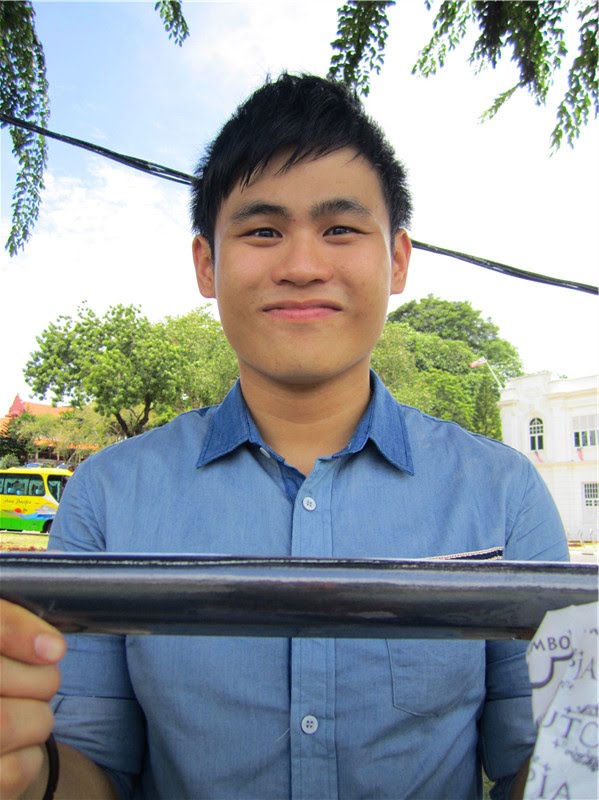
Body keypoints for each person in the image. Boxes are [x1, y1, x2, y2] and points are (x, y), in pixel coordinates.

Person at [0, 74, 568, 800]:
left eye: (340, 230)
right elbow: (93, 767)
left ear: (396, 260)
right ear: (207, 265)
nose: (302, 267)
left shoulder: (503, 494)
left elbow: (541, 764)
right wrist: (29, 772)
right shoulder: (107, 498)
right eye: (263, 231)